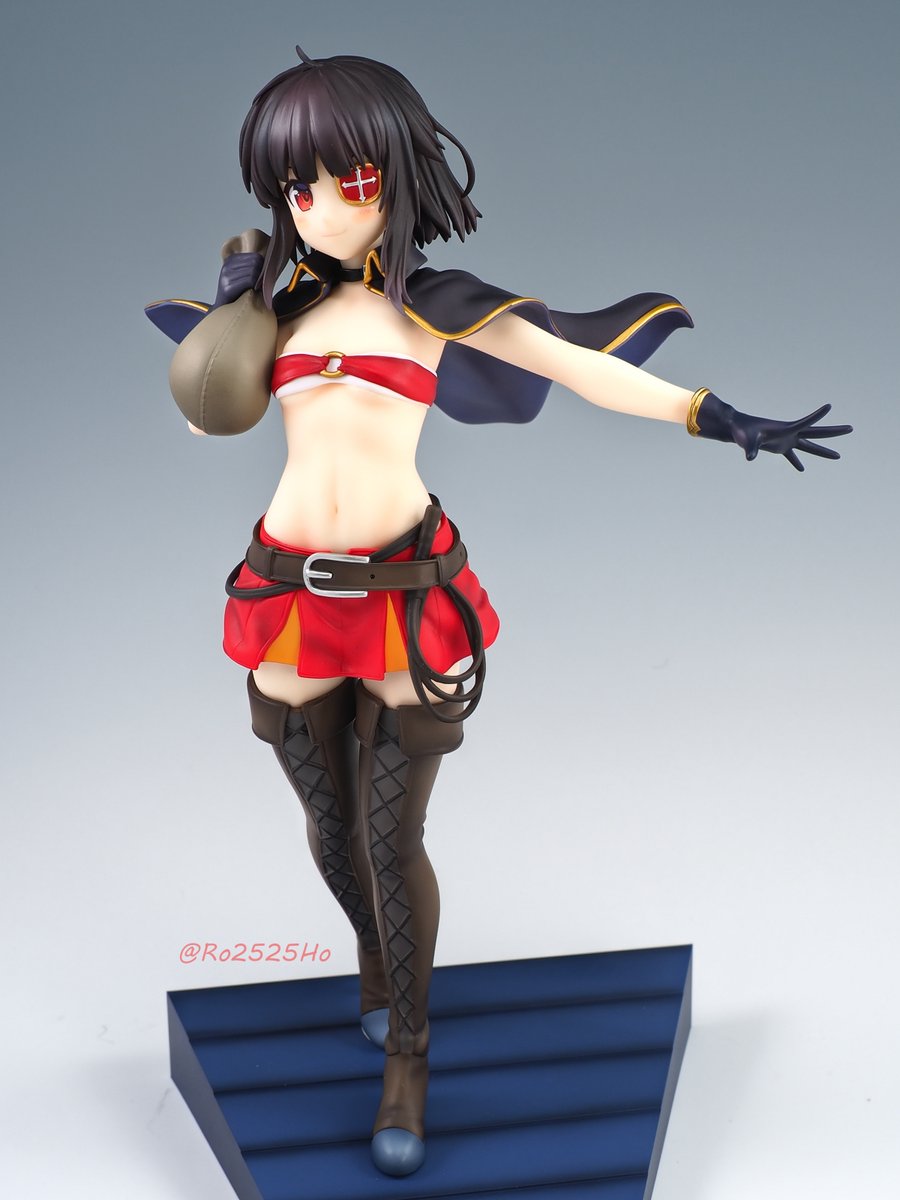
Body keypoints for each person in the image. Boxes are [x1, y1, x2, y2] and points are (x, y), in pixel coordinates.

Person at [146, 47, 851, 1178]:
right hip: (286, 592)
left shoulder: (432, 309)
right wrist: (232, 319)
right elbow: (203, 417)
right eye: (295, 187)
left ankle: (408, 1058)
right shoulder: (278, 308)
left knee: (392, 837)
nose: (320, 207)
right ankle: (378, 964)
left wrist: (713, 415)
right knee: (329, 827)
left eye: (348, 180)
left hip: (403, 594)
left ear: (398, 175)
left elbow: (576, 366)